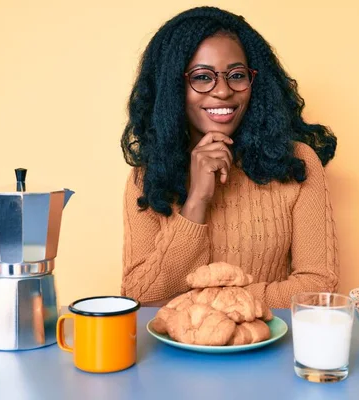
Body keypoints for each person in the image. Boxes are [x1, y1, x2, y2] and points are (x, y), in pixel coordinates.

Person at [120, 6, 339, 308]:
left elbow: (317, 286)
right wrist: (196, 200)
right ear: (173, 87)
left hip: (270, 348)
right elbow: (138, 298)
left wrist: (211, 303)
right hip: (176, 353)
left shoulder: (298, 162)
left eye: (236, 75)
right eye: (202, 77)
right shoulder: (148, 178)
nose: (223, 91)